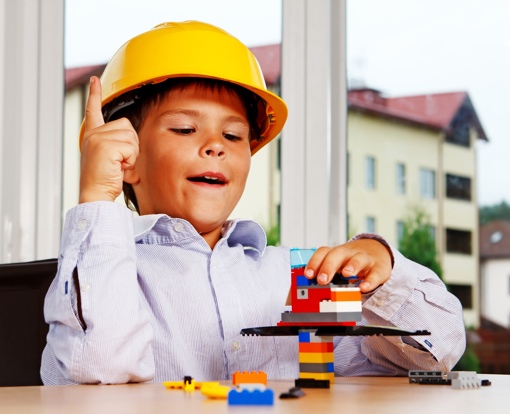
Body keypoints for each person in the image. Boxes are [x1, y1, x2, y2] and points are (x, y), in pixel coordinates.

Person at [41, 21, 465, 385]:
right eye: (186, 129)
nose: (214, 147)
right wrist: (98, 198)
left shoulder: (296, 277)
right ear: (127, 158)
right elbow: (98, 370)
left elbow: (438, 351)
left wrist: (384, 272)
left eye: (233, 135)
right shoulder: (104, 276)